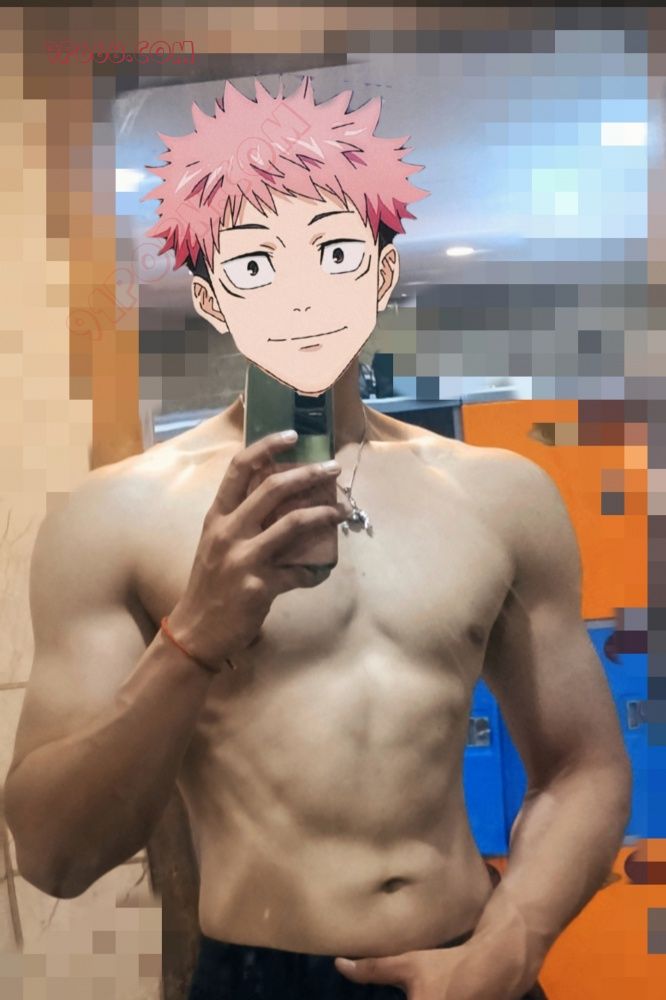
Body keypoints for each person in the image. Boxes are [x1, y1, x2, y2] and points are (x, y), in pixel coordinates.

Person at [5, 77, 632, 1000]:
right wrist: (193, 638)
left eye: (334, 252)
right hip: (263, 977)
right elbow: (55, 855)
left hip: (474, 958)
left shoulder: (501, 493)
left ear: (379, 274)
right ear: (212, 297)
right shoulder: (113, 516)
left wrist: (510, 947)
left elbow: (582, 766)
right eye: (256, 266)